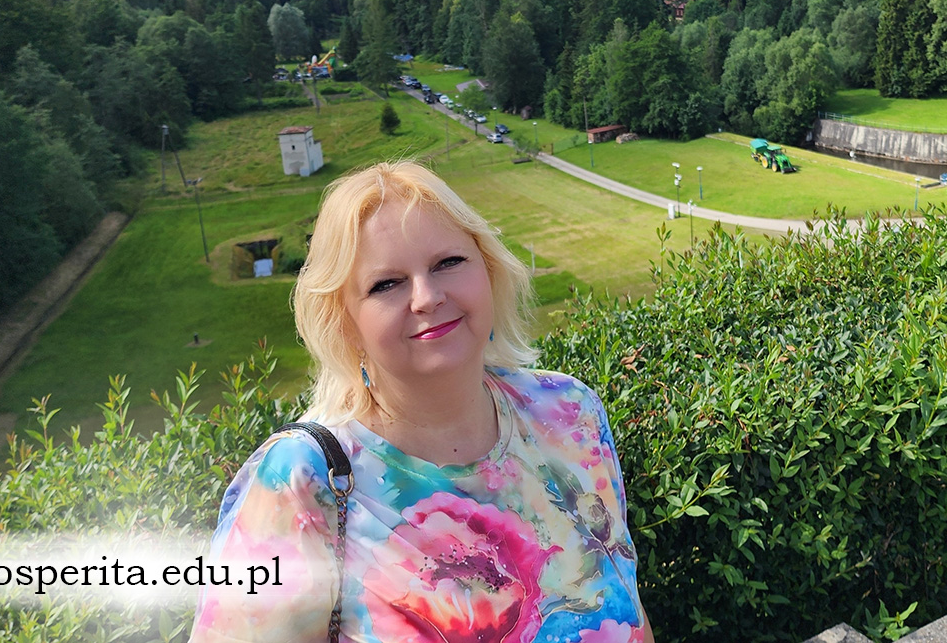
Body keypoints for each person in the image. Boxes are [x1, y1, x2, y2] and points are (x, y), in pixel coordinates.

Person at [190, 160, 655, 643]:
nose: (427, 297)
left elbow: (630, 612)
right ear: (345, 323)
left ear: (489, 268)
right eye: (386, 284)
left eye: (448, 262)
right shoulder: (299, 484)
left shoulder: (570, 412)